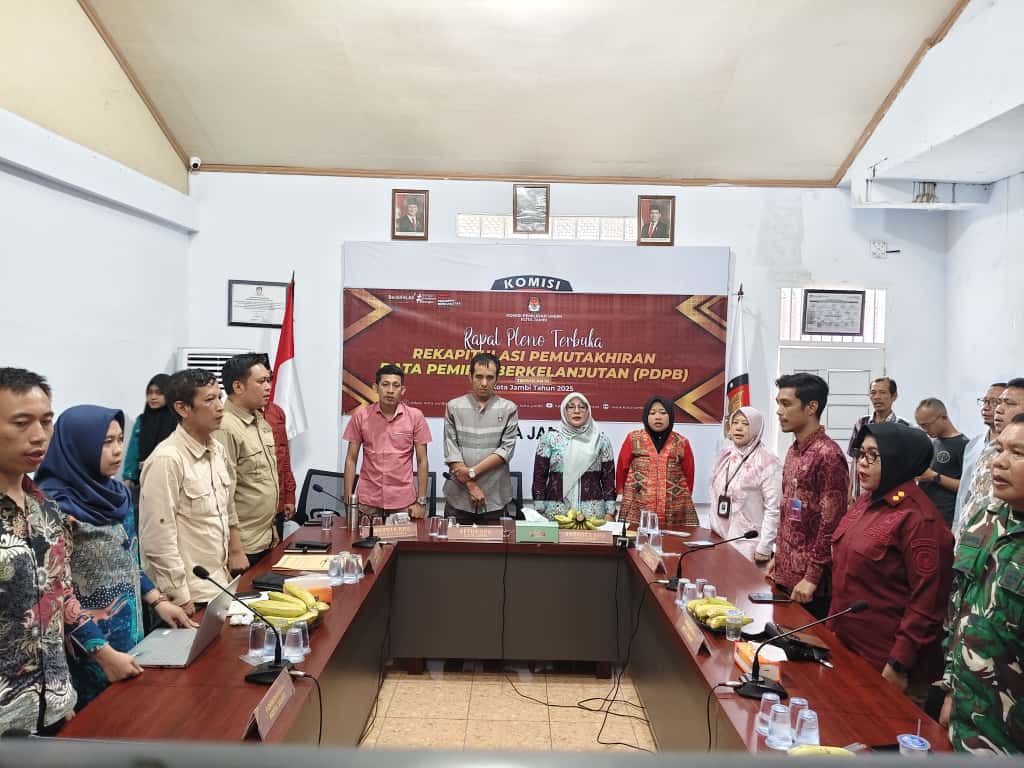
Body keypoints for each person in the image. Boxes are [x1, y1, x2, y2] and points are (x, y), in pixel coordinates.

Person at [34, 406, 195, 709]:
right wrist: (101, 651)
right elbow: (56, 593)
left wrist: (158, 600)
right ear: (76, 445)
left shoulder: (116, 494)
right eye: (106, 442)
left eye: (120, 439)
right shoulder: (53, 506)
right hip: (86, 649)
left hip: (130, 634)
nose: (118, 450)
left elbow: (128, 561)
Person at [831, 423, 953, 704]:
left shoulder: (920, 520)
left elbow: (927, 603)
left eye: (874, 455)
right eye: (861, 454)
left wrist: (899, 663)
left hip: (885, 662)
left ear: (900, 459)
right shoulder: (867, 501)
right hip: (845, 643)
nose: (863, 463)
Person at [939, 413, 1024, 754]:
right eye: (999, 449)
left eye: (1017, 453)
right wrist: (950, 689)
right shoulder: (985, 521)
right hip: (967, 720)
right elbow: (958, 610)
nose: (998, 462)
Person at [0, 368, 78, 734]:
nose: (39, 436)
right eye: (21, 423)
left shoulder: (47, 510)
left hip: (53, 708)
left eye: (46, 422)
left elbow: (62, 595)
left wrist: (62, 695)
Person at [139, 369, 232, 613]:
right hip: (188, 596)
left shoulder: (217, 450)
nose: (220, 407)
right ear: (182, 408)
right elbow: (157, 538)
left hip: (218, 585)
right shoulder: (167, 459)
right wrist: (180, 597)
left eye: (219, 397)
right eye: (209, 400)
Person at [770, 373, 849, 619]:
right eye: (778, 404)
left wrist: (812, 577)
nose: (779, 411)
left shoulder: (828, 455)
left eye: (786, 404)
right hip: (785, 573)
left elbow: (831, 523)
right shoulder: (794, 451)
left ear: (811, 407)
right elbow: (790, 512)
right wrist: (778, 556)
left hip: (810, 586)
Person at [214, 354, 279, 570]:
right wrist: (235, 550)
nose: (268, 387)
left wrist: (272, 529)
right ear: (238, 386)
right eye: (261, 381)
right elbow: (225, 495)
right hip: (243, 546)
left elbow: (262, 481)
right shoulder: (225, 427)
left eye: (269, 380)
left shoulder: (259, 419)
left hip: (264, 537)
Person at [344, 364, 431, 520]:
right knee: (363, 543)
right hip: (368, 501)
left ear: (403, 390)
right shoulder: (361, 416)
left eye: (396, 385)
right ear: (375, 387)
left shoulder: (415, 417)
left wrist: (421, 501)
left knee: (400, 545)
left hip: (403, 502)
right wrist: (348, 497)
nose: (390, 390)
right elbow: (351, 459)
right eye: (385, 384)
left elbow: (422, 461)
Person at [443, 352, 518, 524]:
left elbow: (505, 451)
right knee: (449, 547)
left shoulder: (509, 409)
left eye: (490, 377)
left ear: (497, 379)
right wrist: (471, 484)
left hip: (495, 497)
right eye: (479, 377)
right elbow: (451, 450)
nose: (484, 383)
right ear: (470, 376)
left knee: (493, 550)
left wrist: (471, 472)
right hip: (458, 496)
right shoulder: (453, 406)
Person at [708, 407, 781, 562]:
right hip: (718, 538)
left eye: (745, 423)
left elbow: (774, 509)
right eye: (735, 422)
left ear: (755, 427)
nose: (738, 427)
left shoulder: (768, 462)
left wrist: (765, 547)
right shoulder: (725, 455)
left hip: (748, 544)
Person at [954, 379, 1024, 540]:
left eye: (1009, 403)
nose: (999, 409)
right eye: (998, 402)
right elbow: (968, 496)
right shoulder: (986, 449)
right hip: (975, 542)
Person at [616, 396, 697, 530]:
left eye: (663, 413)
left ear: (670, 416)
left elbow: (689, 475)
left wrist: (679, 498)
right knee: (634, 545)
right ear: (646, 416)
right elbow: (622, 469)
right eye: (652, 413)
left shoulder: (682, 442)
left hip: (673, 508)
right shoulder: (633, 438)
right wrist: (629, 494)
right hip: (636, 506)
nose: (657, 417)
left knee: (672, 546)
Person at [532, 392, 616, 521]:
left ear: (588, 411)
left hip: (592, 516)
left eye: (582, 407)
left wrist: (610, 512)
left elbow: (608, 480)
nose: (577, 411)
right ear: (564, 411)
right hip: (556, 514)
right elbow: (539, 478)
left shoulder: (601, 440)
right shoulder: (550, 439)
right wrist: (539, 510)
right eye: (571, 407)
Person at [847, 377, 909, 498]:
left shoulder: (903, 427)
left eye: (882, 392)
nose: (877, 397)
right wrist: (850, 492)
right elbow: (855, 459)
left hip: (890, 495)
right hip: (861, 495)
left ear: (894, 396)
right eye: (873, 392)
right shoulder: (861, 423)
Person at [914, 398, 968, 527]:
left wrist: (934, 477)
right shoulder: (933, 442)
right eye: (921, 426)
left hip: (946, 518)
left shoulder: (964, 445)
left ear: (943, 417)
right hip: (924, 514)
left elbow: (966, 487)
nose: (925, 430)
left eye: (927, 425)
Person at [122, 374, 177, 490]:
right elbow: (133, 453)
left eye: (158, 393)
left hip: (171, 481)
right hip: (144, 482)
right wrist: (128, 480)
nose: (153, 397)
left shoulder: (178, 421)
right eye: (150, 393)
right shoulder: (141, 421)